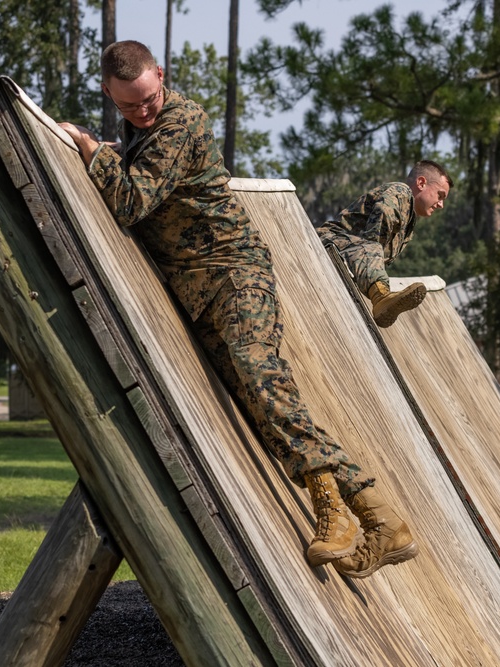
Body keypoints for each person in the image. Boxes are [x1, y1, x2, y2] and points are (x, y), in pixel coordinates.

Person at [58, 40, 416, 578]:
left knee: (265, 386)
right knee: (262, 407)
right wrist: (115, 144)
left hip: (235, 275)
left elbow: (132, 200)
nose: (143, 111)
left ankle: (361, 516)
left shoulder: (180, 120)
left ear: (162, 75)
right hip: (202, 291)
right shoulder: (139, 131)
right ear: (108, 93)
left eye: (149, 98)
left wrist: (91, 150)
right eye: (129, 105)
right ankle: (359, 516)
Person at [316, 162, 452, 327]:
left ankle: (381, 295)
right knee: (372, 248)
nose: (440, 205)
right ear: (421, 183)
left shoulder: (409, 219)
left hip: (347, 253)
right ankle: (381, 298)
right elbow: (377, 232)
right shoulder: (401, 192)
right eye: (440, 195)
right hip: (326, 241)